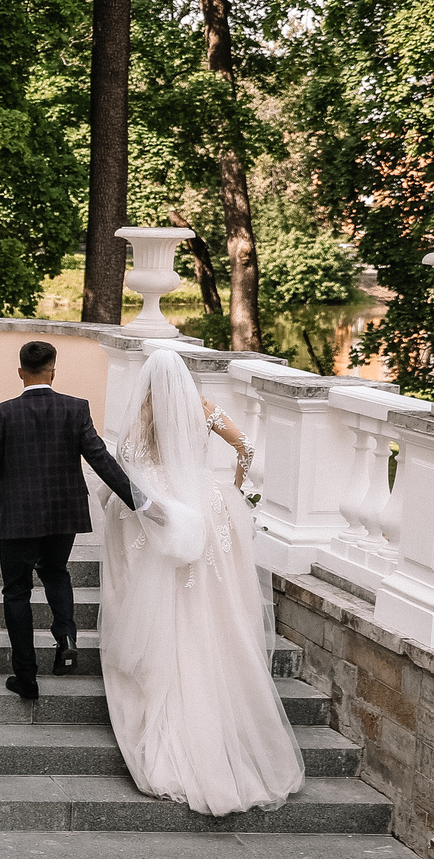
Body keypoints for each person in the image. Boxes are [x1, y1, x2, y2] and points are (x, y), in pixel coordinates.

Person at [95, 348, 305, 816]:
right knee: (209, 604)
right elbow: (246, 447)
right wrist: (234, 487)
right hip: (204, 510)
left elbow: (126, 473)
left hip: (161, 516)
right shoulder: (204, 410)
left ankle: (160, 686)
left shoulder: (139, 421)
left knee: (156, 599)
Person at [0, 339, 150, 702]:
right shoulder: (76, 408)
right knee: (56, 572)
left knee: (17, 592)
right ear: (53, 371)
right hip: (63, 512)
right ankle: (66, 636)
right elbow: (101, 460)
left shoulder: (1, 413)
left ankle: (26, 677)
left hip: (18, 516)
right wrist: (139, 500)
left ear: (21, 372)